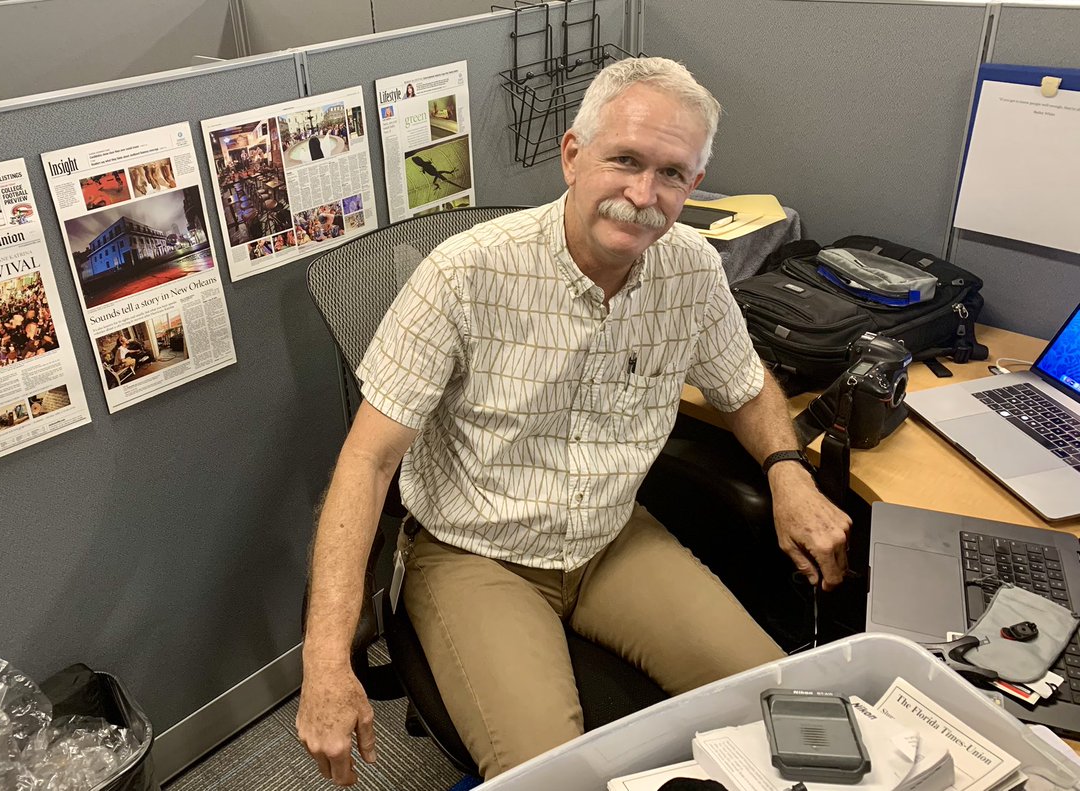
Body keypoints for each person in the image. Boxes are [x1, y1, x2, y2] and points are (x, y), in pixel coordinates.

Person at [298, 57, 851, 785]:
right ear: (572, 155)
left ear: (692, 184)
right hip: (475, 553)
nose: (643, 194)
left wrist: (787, 473)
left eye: (672, 174)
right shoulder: (465, 273)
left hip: (611, 538)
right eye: (624, 159)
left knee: (788, 706)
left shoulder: (692, 270)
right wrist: (324, 658)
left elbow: (745, 386)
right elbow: (366, 463)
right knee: (549, 776)